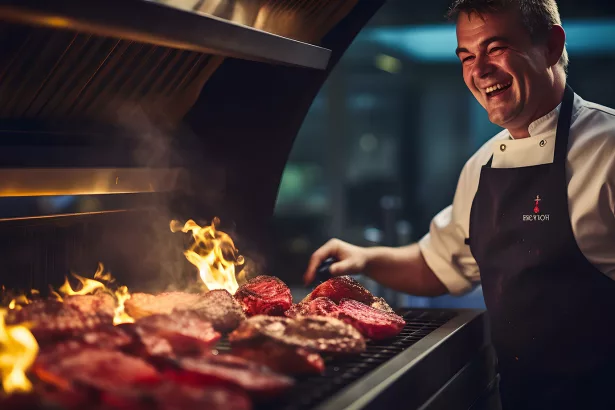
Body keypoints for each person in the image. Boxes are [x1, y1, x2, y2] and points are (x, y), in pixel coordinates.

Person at [303, 1, 615, 409]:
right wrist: (365, 258)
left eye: (496, 48)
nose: (478, 70)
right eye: (467, 56)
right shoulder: (482, 166)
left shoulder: (607, 150)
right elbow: (439, 264)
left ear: (552, 46)